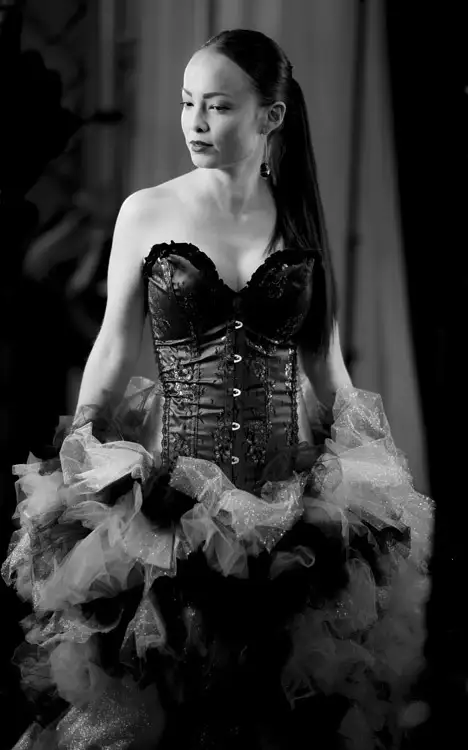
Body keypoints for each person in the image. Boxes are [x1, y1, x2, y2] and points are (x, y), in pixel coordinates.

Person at [3, 29, 432, 750]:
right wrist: (82, 442)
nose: (195, 122)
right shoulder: (146, 210)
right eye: (187, 103)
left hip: (286, 512)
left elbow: (324, 366)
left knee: (277, 714)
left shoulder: (297, 217)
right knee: (168, 700)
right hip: (173, 508)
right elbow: (113, 343)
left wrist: (377, 474)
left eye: (219, 106)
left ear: (271, 116)